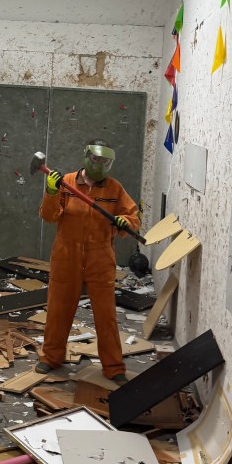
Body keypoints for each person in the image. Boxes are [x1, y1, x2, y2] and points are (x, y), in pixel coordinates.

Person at [36, 139, 139, 384]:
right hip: (66, 256)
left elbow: (132, 215)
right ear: (87, 157)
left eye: (105, 161)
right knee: (59, 310)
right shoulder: (66, 182)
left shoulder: (114, 189)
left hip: (100, 259)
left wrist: (126, 222)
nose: (100, 165)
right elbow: (49, 216)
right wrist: (51, 192)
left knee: (106, 316)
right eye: (96, 159)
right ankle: (51, 357)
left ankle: (114, 366)